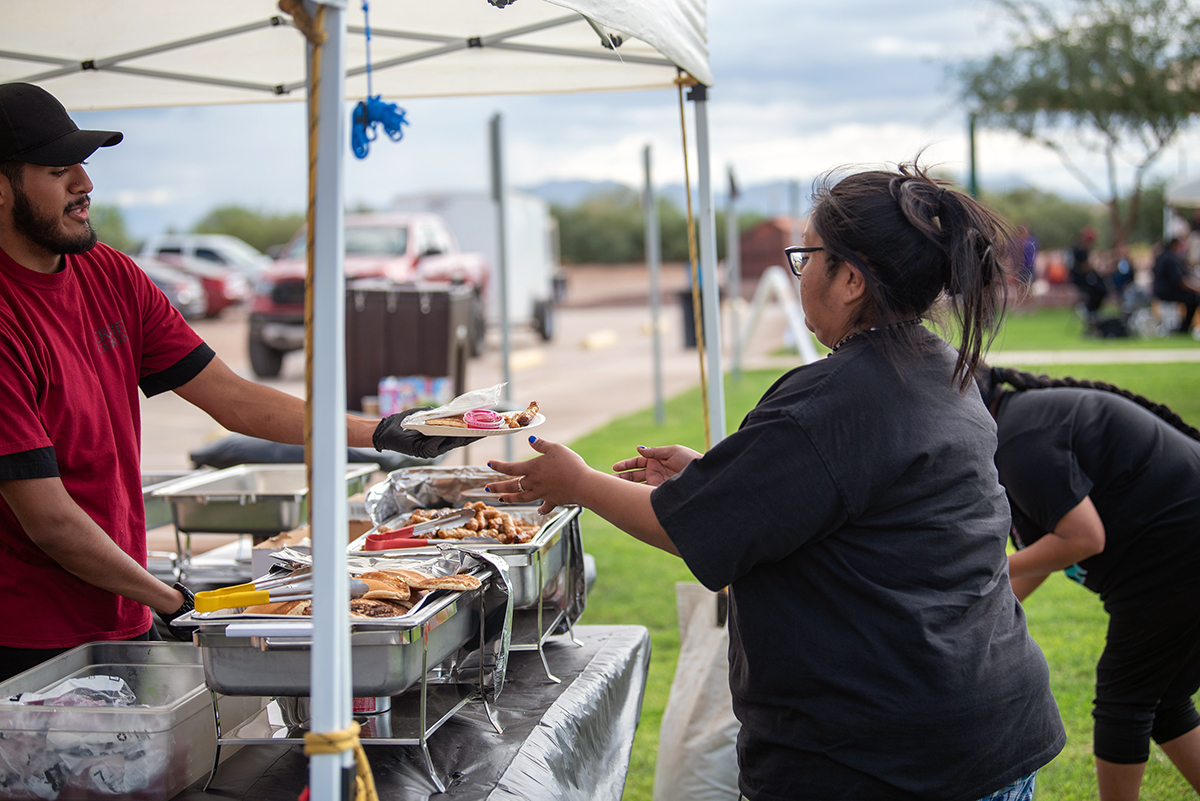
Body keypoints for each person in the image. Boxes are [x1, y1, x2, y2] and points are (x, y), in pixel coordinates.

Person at [486, 163, 1066, 801]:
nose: (800, 277)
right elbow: (839, 503)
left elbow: (698, 531)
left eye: (806, 258)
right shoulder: (938, 370)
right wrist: (717, 478)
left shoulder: (833, 397)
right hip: (985, 730)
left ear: (848, 278)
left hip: (886, 760)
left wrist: (579, 482)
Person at [0, 82, 466, 682]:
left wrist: (380, 430)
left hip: (121, 606)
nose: (85, 185)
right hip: (28, 637)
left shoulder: (109, 273)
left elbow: (233, 397)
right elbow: (51, 521)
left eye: (84, 167)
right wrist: (168, 600)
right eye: (59, 170)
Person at [976, 366, 1200, 801]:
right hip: (1175, 556)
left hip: (1177, 556)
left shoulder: (1020, 442)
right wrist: (983, 612)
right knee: (1165, 699)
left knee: (1124, 701)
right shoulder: (1018, 428)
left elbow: (1082, 538)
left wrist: (988, 571)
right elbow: (1046, 547)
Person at [1151, 236, 1200, 335]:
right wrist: (1196, 288)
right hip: (1168, 292)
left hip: (1159, 292)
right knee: (1193, 298)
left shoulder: (1161, 257)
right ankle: (1184, 328)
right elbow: (1180, 281)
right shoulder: (1171, 259)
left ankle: (1185, 327)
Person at [1070, 225, 1109, 322]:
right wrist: (1096, 259)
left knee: (1102, 288)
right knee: (1098, 289)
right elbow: (1085, 267)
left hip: (1087, 278)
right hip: (1081, 279)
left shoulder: (1083, 249)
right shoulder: (1079, 250)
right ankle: (1089, 311)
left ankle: (1093, 312)